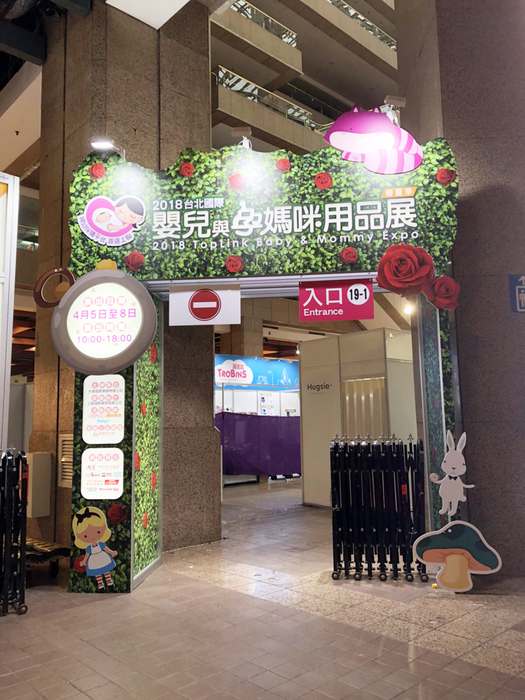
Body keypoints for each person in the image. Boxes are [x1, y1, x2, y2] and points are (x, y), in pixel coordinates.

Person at [72, 506, 118, 592]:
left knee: (106, 570)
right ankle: (100, 584)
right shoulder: (89, 548)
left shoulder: (100, 544)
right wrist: (84, 561)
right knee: (98, 573)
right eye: (85, 536)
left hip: (102, 558)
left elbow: (105, 548)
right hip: (94, 560)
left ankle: (109, 582)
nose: (92, 537)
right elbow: (87, 555)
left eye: (98, 532)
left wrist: (111, 552)